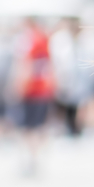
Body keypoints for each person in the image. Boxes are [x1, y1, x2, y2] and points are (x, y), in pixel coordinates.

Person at [14, 17, 56, 176]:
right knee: (37, 126)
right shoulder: (44, 39)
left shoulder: (30, 40)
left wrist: (18, 86)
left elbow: (27, 66)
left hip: (31, 90)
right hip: (43, 89)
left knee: (28, 127)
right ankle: (35, 157)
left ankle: (31, 159)